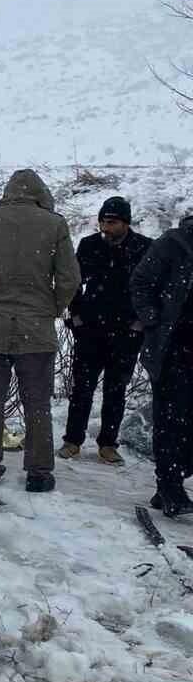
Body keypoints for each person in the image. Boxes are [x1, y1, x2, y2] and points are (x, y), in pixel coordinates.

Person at [0, 169, 80, 492]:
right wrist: (51, 309)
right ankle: (39, 472)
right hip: (36, 329)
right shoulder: (54, 225)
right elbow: (70, 279)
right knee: (37, 403)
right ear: (40, 194)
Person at [58, 197, 152, 466]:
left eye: (111, 222)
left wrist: (140, 322)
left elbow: (152, 288)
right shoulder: (89, 245)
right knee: (81, 388)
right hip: (90, 330)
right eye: (102, 221)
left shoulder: (144, 247)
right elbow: (73, 282)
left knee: (116, 390)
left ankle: (108, 444)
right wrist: (76, 315)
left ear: (125, 223)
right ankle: (72, 440)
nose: (105, 227)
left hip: (127, 333)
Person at [130, 212, 193, 518]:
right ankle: (170, 486)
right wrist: (154, 319)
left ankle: (172, 480)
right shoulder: (173, 243)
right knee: (172, 419)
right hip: (174, 349)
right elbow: (140, 282)